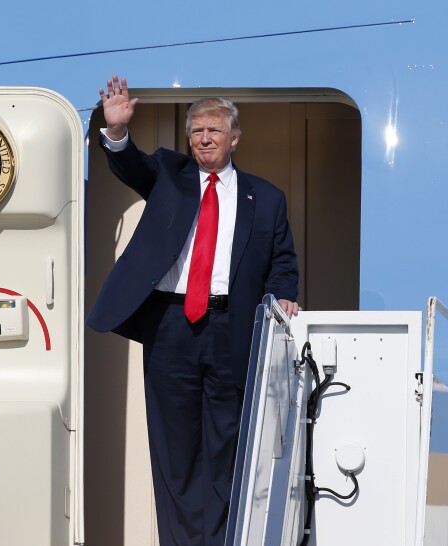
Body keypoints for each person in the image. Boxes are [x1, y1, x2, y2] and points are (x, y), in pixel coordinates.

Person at [87, 75, 300, 546]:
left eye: (214, 131)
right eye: (197, 131)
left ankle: (223, 539)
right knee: (175, 449)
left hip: (232, 327)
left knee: (227, 445)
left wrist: (284, 294)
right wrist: (118, 133)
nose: (204, 138)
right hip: (171, 327)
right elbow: (132, 168)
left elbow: (282, 262)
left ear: (235, 138)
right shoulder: (170, 174)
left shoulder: (266, 198)